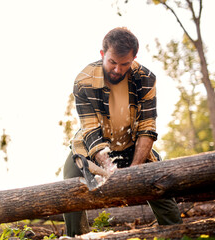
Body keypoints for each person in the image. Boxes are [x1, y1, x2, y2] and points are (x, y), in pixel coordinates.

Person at [63, 27, 183, 237]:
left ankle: (178, 233)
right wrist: (109, 169)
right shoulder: (83, 81)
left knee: (161, 188)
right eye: (112, 62)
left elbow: (147, 128)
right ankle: (78, 236)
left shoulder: (145, 78)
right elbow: (90, 130)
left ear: (134, 58)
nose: (118, 70)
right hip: (92, 148)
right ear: (102, 54)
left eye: (125, 64)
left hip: (132, 147)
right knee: (70, 186)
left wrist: (134, 173)